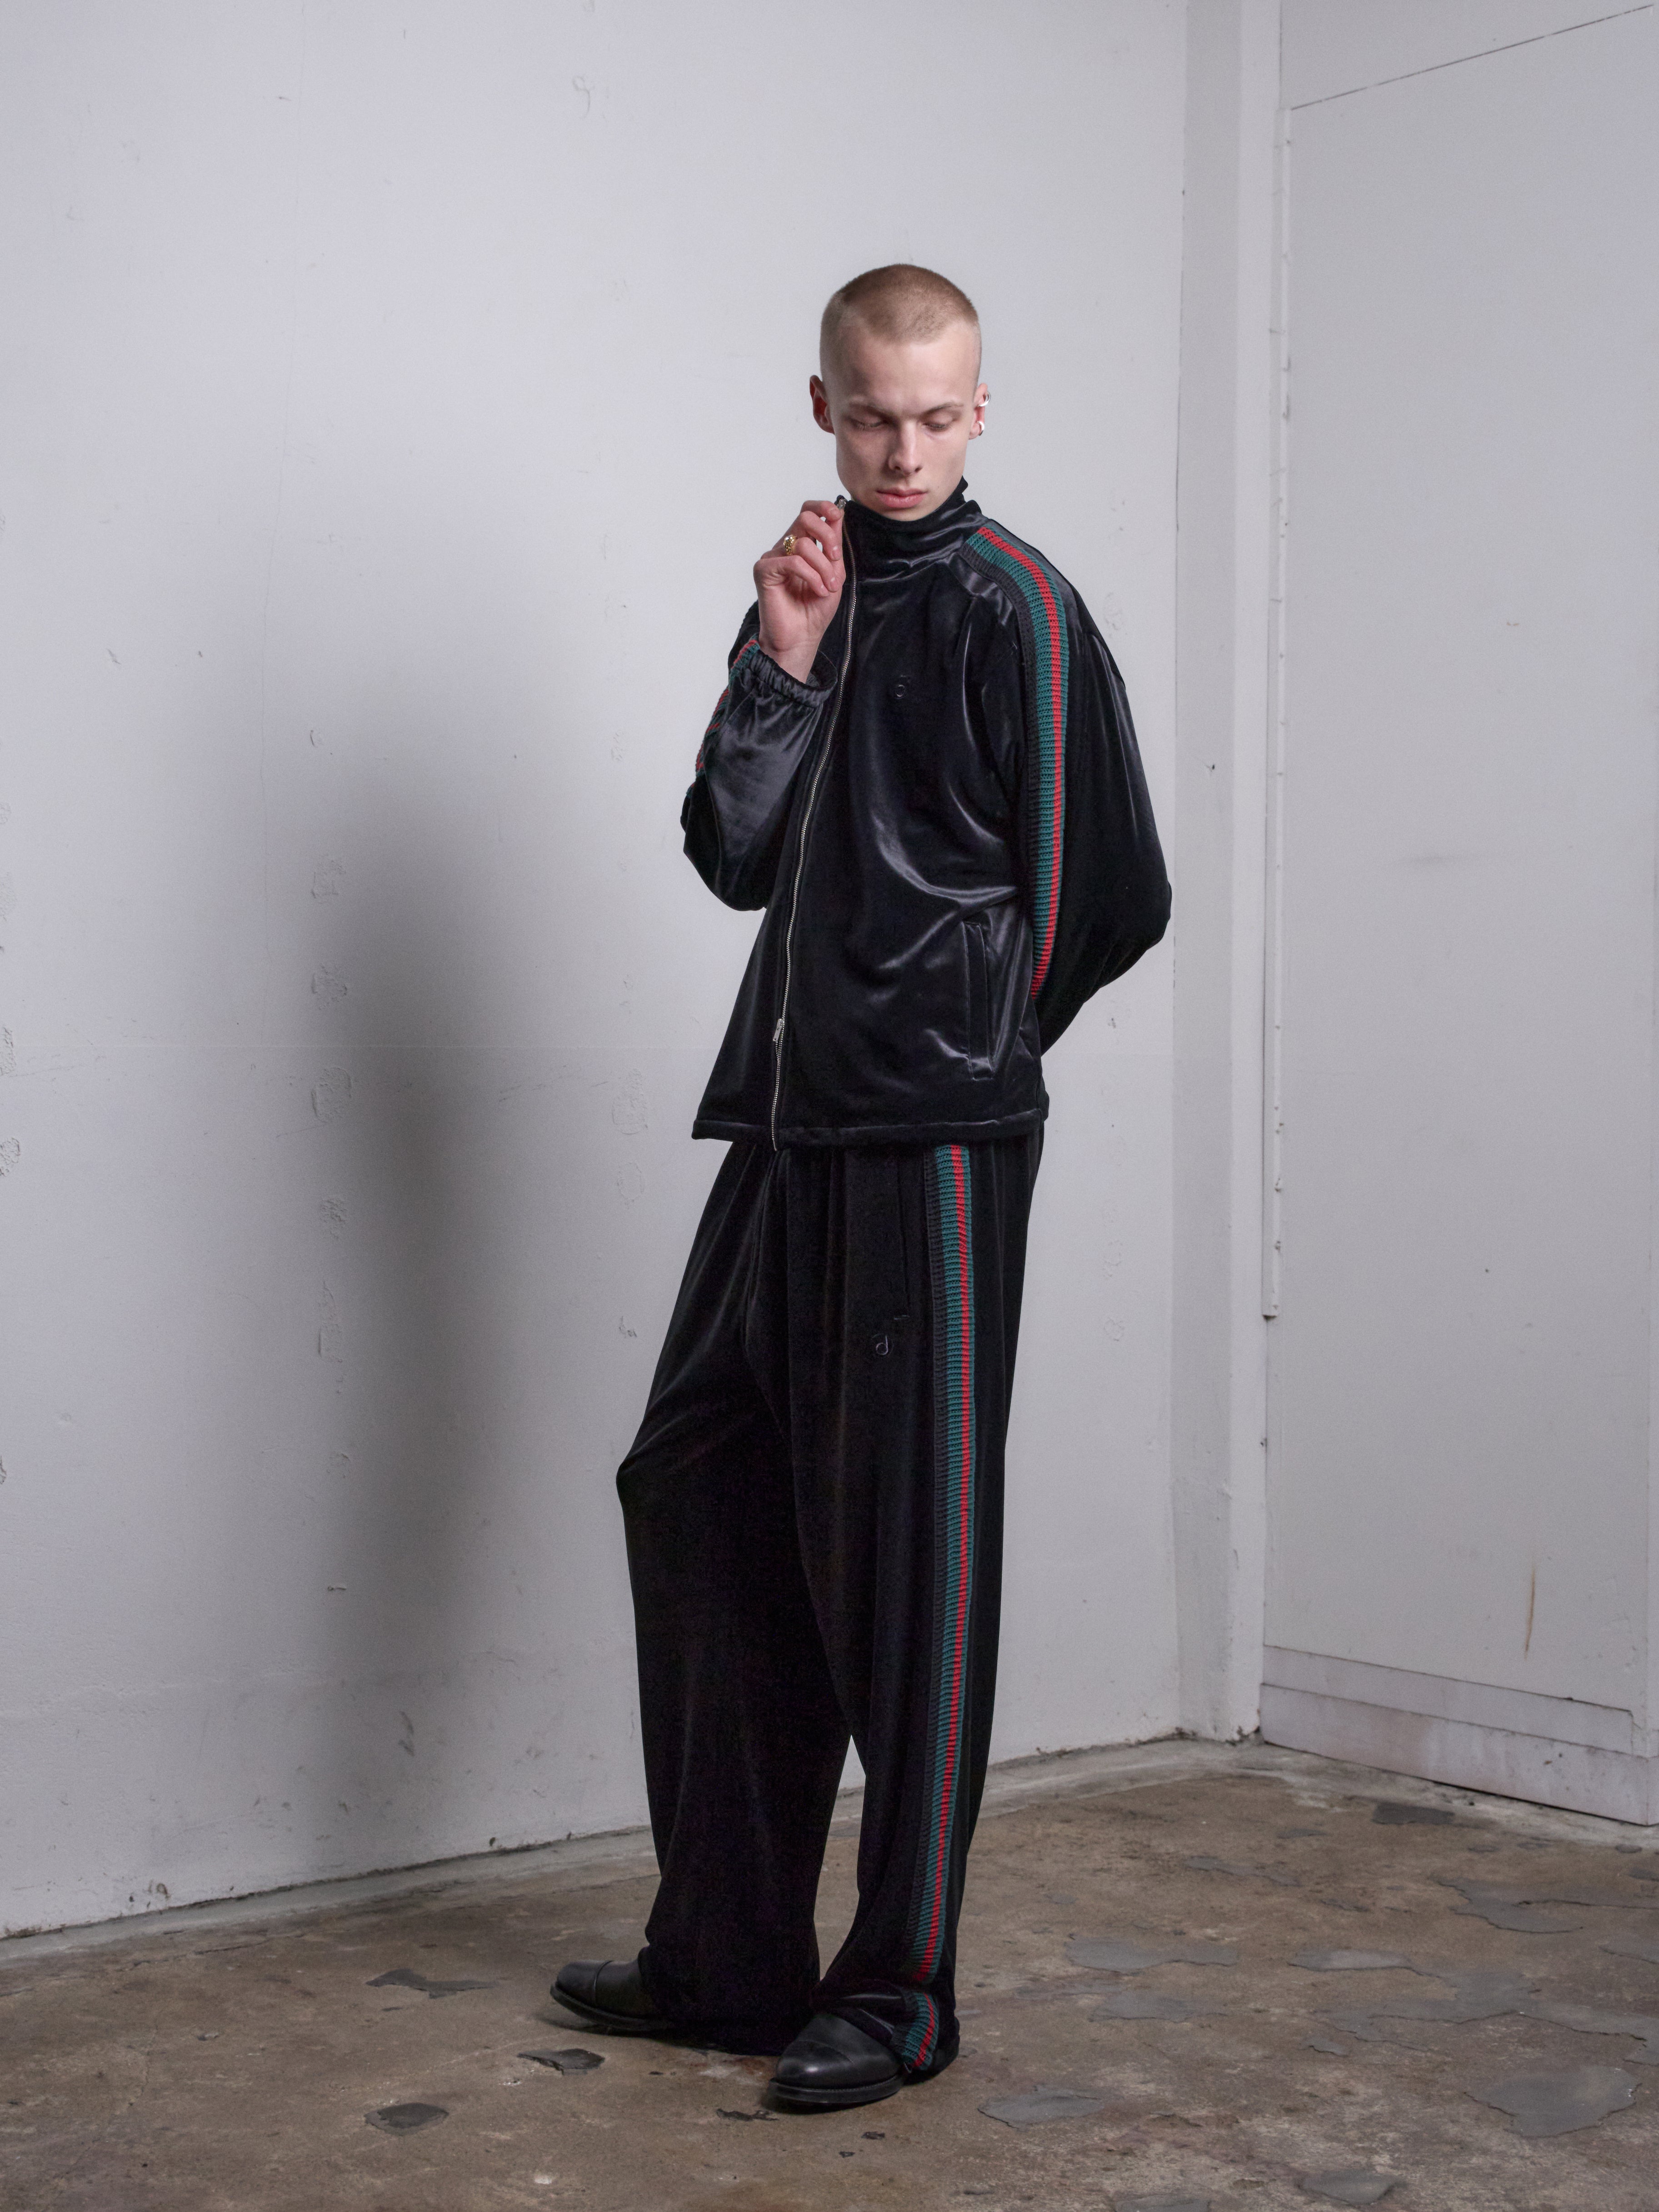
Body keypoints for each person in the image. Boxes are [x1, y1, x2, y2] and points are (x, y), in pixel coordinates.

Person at [552, 264, 1169, 2112]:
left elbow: (1107, 892)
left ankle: (898, 1990)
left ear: (980, 411)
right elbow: (731, 856)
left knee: (908, 1564)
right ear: (821, 407)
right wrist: (781, 660)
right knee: (695, 1487)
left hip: (927, 1142)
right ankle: (726, 1953)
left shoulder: (1017, 608)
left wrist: (957, 1044)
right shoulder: (814, 588)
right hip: (782, 1127)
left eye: (935, 418)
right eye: (873, 417)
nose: (903, 451)